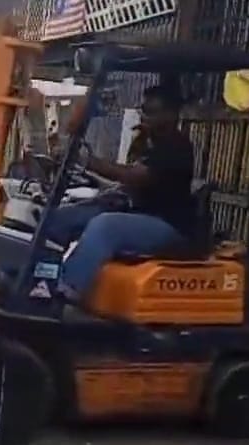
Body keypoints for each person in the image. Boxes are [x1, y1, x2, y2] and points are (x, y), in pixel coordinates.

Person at [43, 85, 196, 303]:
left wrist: (89, 161)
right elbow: (129, 184)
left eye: (151, 111)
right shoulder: (147, 142)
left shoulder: (176, 146)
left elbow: (135, 176)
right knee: (61, 218)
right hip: (140, 213)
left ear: (170, 114)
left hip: (167, 224)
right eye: (143, 109)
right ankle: (37, 278)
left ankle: (67, 289)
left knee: (105, 226)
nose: (144, 115)